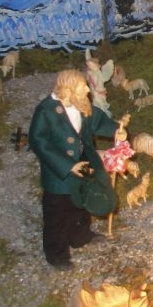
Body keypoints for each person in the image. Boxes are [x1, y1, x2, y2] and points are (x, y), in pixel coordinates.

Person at [29, 69, 124, 269]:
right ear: (68, 88)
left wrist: (117, 130)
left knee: (80, 202)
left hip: (83, 163)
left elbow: (98, 121)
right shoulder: (46, 111)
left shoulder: (81, 105)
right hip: (59, 173)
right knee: (57, 213)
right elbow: (39, 142)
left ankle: (80, 236)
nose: (87, 90)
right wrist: (67, 166)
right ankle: (56, 254)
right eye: (82, 86)